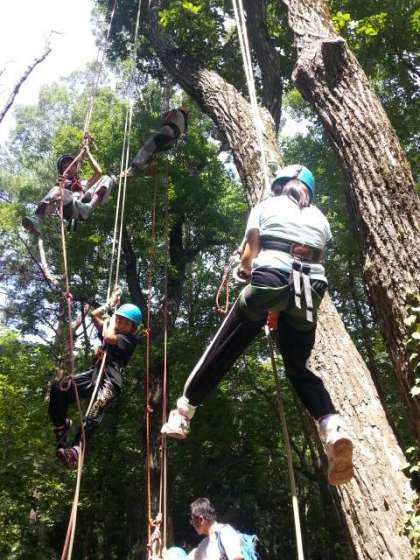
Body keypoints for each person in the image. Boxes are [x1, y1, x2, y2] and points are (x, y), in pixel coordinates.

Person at [162, 165, 354, 486]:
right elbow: (310, 263)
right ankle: (332, 426)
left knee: (224, 350)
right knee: (298, 368)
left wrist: (243, 271)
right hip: (310, 290)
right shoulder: (321, 219)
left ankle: (183, 412)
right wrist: (279, 307)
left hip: (269, 280)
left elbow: (249, 259)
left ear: (279, 186)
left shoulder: (264, 206)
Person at [49, 288, 141, 468]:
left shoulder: (129, 340)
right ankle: (61, 425)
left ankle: (77, 450)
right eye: (119, 319)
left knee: (93, 414)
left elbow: (109, 336)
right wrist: (110, 303)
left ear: (132, 328)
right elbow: (94, 315)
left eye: (125, 322)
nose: (120, 322)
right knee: (59, 388)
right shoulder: (112, 328)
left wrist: (111, 320)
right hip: (94, 375)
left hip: (110, 382)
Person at [22, 145, 114, 236]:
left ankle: (89, 206)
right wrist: (60, 187)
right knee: (57, 190)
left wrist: (88, 154)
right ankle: (37, 218)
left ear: (75, 168)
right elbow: (55, 199)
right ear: (62, 171)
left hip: (82, 206)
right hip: (69, 209)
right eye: (65, 167)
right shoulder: (62, 183)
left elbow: (98, 172)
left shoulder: (84, 183)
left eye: (70, 166)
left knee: (107, 179)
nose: (68, 168)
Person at [129, 107, 189, 173]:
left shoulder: (176, 111)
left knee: (147, 147)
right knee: (154, 150)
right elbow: (182, 136)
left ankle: (134, 166)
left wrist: (164, 121)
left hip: (168, 131)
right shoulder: (184, 124)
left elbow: (167, 117)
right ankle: (150, 164)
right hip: (172, 141)